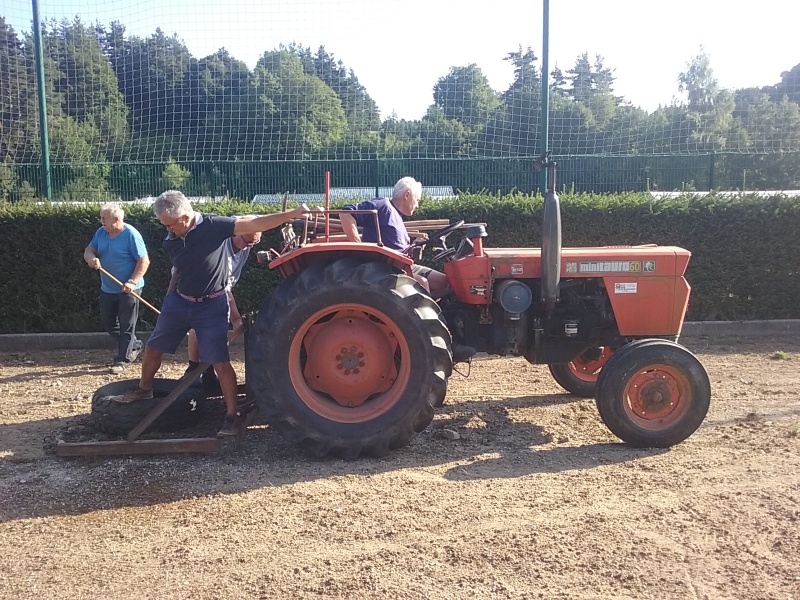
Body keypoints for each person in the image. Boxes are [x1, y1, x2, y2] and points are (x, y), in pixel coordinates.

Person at [114, 190, 310, 437]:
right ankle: (144, 389)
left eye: (171, 225)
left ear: (185, 217)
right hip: (179, 301)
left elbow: (256, 223)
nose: (169, 230)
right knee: (153, 348)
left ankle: (232, 417)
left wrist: (293, 213)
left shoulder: (214, 226)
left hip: (212, 305)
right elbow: (179, 268)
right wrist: (169, 297)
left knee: (220, 362)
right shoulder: (173, 234)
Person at [339, 176, 475, 363]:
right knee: (423, 284)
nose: (417, 205)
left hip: (405, 264)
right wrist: (359, 246)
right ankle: (431, 338)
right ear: (407, 195)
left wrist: (415, 245)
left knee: (446, 282)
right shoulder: (382, 206)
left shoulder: (397, 217)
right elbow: (346, 213)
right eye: (416, 200)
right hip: (388, 268)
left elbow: (399, 249)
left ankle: (449, 330)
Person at [184, 225, 262, 390]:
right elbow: (222, 287)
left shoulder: (244, 247)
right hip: (197, 285)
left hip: (219, 289)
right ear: (236, 234)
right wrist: (236, 319)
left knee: (213, 328)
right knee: (201, 325)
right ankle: (193, 370)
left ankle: (208, 373)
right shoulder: (220, 248)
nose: (250, 247)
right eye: (248, 242)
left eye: (254, 243)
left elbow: (230, 283)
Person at [83, 202, 150, 374]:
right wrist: (91, 258)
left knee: (127, 325)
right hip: (108, 288)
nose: (101, 221)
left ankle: (122, 360)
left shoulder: (131, 235)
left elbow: (144, 261)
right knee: (108, 323)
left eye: (104, 218)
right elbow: (89, 250)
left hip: (129, 289)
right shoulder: (101, 233)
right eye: (101, 218)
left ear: (117, 219)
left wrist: (132, 282)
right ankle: (134, 345)